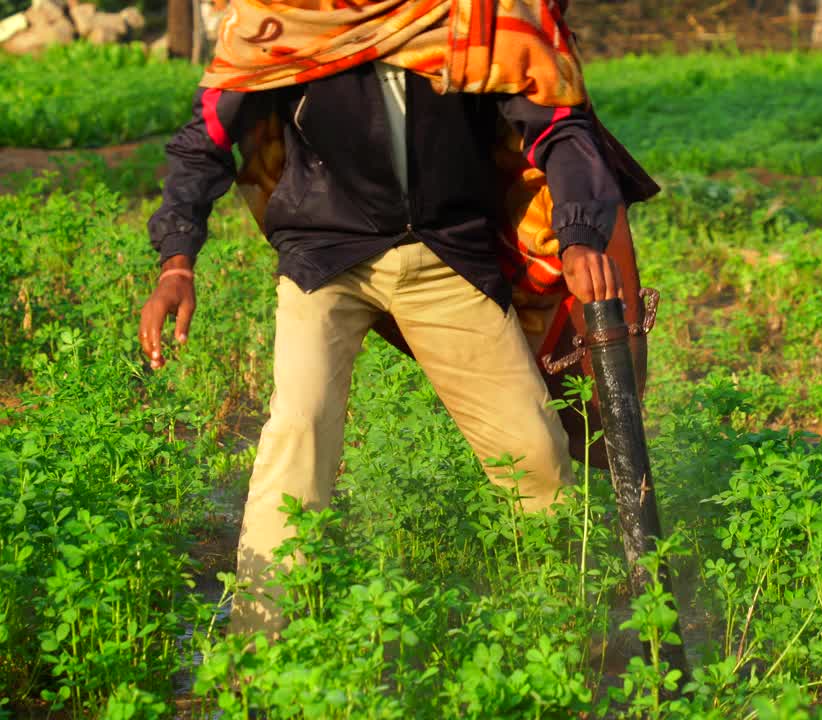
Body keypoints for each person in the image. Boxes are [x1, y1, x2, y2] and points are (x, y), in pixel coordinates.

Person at [136, 0, 651, 639]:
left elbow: (558, 123)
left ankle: (558, 633)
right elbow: (205, 140)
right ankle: (259, 648)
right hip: (324, 254)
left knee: (536, 455)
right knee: (300, 429)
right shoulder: (284, 16)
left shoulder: (477, 14)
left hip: (444, 254)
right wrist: (176, 262)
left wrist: (577, 232)